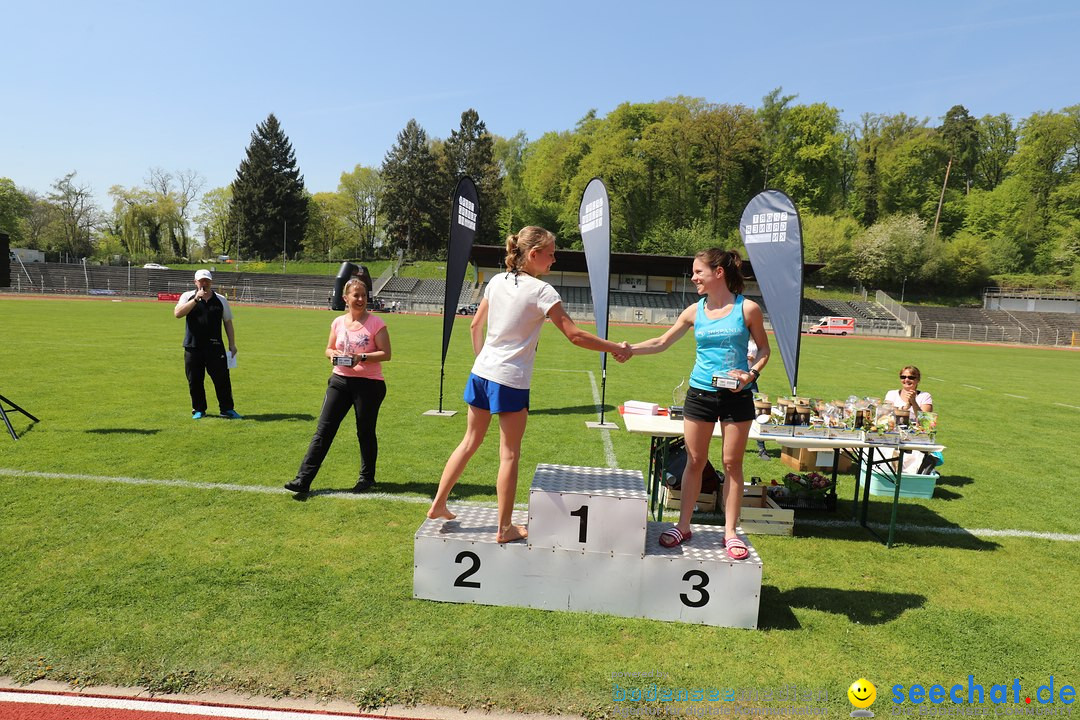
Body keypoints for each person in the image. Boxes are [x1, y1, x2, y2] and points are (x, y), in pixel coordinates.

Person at [426, 226, 631, 543]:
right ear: (533, 255)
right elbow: (575, 335)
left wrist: (485, 360)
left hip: (481, 374)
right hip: (510, 381)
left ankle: (438, 503)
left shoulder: (495, 281)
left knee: (469, 442)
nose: (554, 258)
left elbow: (475, 326)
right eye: (550, 253)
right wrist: (615, 346)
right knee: (509, 455)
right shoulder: (543, 291)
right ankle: (505, 528)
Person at [628, 249, 769, 559]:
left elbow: (763, 350)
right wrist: (630, 349)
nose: (693, 278)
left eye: (698, 272)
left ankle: (731, 533)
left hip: (737, 396)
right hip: (700, 394)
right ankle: (683, 525)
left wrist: (750, 375)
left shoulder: (748, 310)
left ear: (718, 272)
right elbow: (661, 342)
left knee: (732, 464)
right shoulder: (694, 311)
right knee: (695, 461)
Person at [285, 277, 391, 494]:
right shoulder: (337, 322)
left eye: (364, 295)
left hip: (369, 384)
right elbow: (328, 348)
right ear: (346, 298)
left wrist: (360, 357)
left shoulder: (376, 323)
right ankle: (303, 479)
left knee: (365, 432)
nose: (361, 299)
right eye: (356, 295)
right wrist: (331, 354)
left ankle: (366, 478)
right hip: (340, 381)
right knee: (323, 430)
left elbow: (386, 354)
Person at [174, 269, 242, 420]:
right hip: (193, 346)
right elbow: (178, 313)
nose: (204, 283)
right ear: (195, 282)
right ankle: (198, 409)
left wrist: (232, 344)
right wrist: (195, 300)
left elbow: (228, 322)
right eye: (201, 280)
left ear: (211, 282)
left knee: (222, 379)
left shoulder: (220, 300)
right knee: (195, 380)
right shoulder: (187, 296)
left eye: (207, 280)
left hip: (215, 347)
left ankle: (227, 409)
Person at [747, 336, 770, 461]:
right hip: (734, 379)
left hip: (749, 380)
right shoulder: (741, 340)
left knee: (758, 412)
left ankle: (761, 448)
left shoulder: (755, 344)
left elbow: (757, 358)